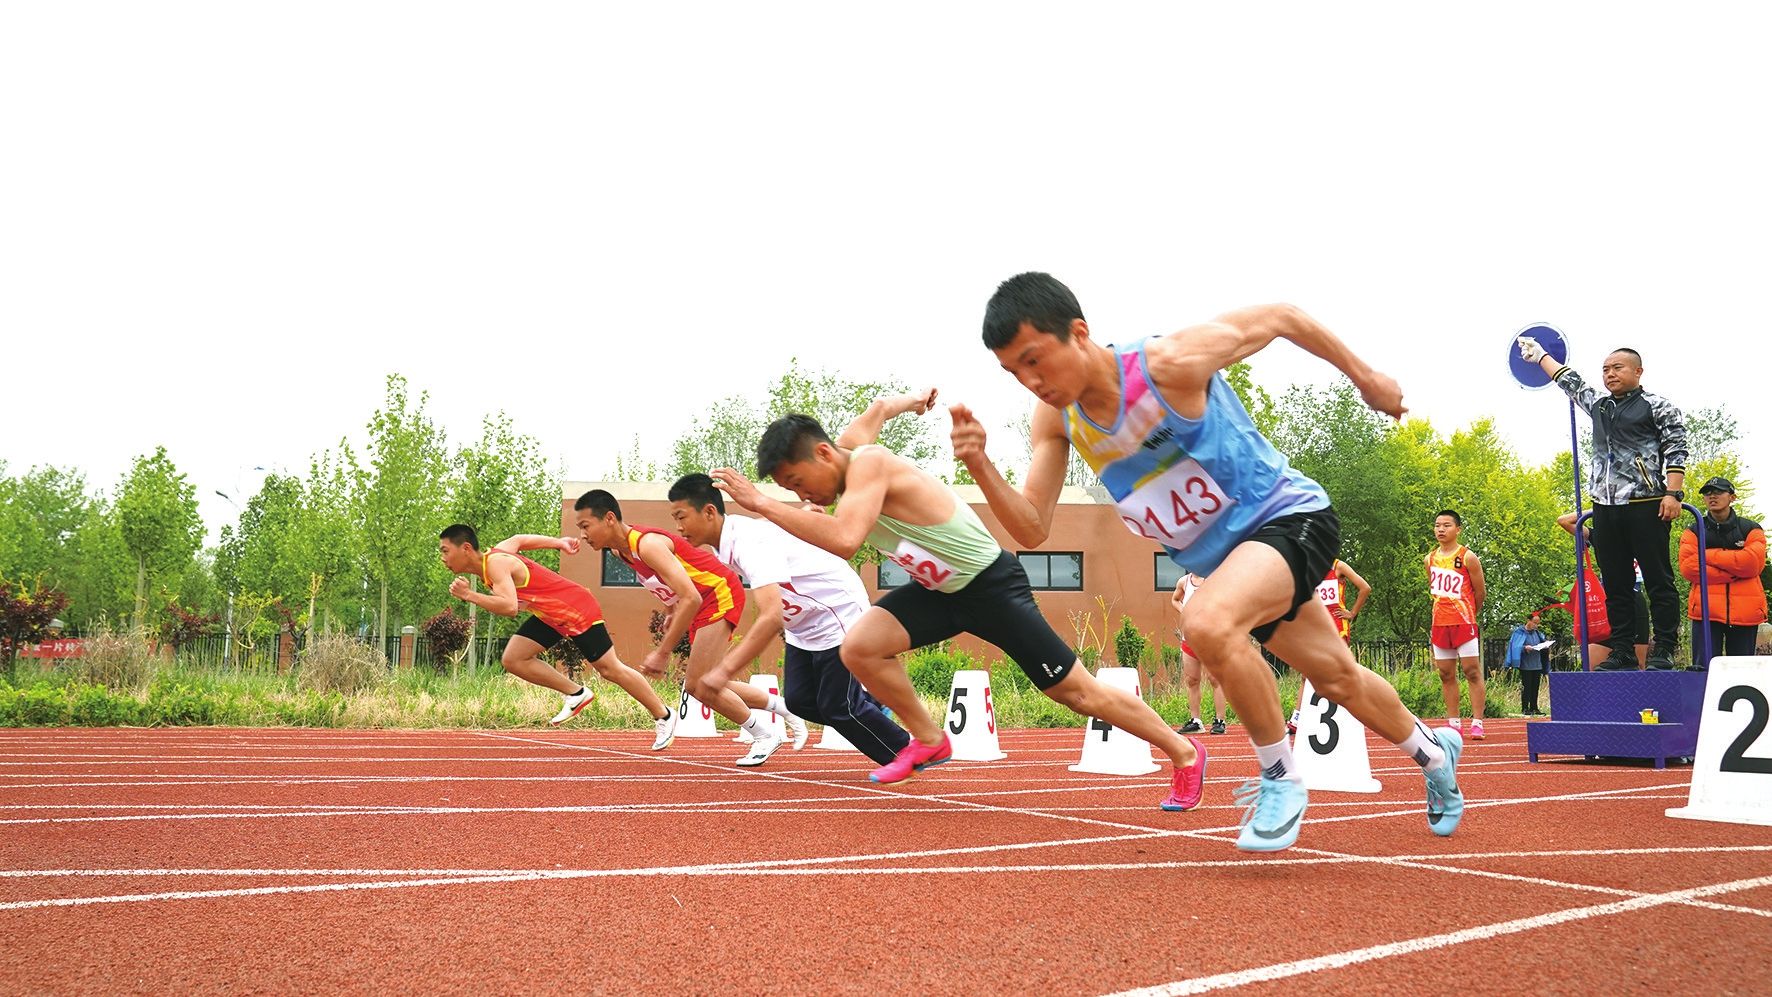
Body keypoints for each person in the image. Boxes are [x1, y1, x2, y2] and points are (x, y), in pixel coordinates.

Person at [953, 272, 1462, 852]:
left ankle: (1280, 777)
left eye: (1035, 360)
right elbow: (1032, 528)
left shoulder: (1167, 366)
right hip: (1230, 563)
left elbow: (1281, 316)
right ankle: (1433, 751)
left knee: (1208, 621)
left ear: (1079, 333)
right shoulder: (1056, 420)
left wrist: (1365, 378)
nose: (1031, 382)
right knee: (1336, 676)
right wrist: (981, 467)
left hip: (1288, 518)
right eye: (1014, 372)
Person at [711, 411, 1210, 810]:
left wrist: (762, 504)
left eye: (799, 482)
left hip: (990, 586)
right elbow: (876, 412)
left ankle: (1185, 751)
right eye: (791, 490)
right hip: (938, 590)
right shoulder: (845, 452)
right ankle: (929, 737)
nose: (802, 496)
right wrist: (911, 400)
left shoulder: (869, 464)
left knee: (1078, 693)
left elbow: (844, 540)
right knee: (860, 646)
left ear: (823, 453)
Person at [666, 471, 913, 767]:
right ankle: (874, 706)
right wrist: (803, 515)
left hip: (836, 610)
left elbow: (771, 617)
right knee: (800, 702)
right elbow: (770, 529)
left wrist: (724, 670)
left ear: (708, 512)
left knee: (838, 708)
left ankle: (905, 753)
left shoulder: (747, 543)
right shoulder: (729, 540)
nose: (678, 527)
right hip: (804, 621)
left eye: (681, 517)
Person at [573, 490, 808, 767]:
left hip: (717, 593)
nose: (583, 536)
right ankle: (785, 709)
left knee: (698, 686)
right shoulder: (620, 551)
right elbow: (672, 580)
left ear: (609, 518)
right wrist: (671, 609)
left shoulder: (647, 544)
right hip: (701, 602)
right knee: (710, 681)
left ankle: (764, 735)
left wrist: (663, 652)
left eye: (586, 526)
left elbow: (692, 596)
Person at [1519, 339, 1688, 669]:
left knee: (1658, 579)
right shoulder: (1600, 404)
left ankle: (1664, 648)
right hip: (1605, 507)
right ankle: (1622, 649)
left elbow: (1677, 447)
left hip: (1646, 502)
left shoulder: (1658, 406)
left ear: (1638, 371)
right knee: (1616, 584)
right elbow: (1570, 382)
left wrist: (1673, 493)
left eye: (1618, 368)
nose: (1610, 374)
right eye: (1606, 369)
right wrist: (1540, 356)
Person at [437, 524, 678, 748]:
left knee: (610, 669)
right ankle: (576, 693)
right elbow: (520, 540)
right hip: (550, 615)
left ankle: (664, 715)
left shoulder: (495, 565)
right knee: (514, 659)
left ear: (466, 548)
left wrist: (469, 595)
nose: (443, 558)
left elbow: (509, 607)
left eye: (445, 551)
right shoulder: (497, 554)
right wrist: (559, 543)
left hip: (576, 608)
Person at [1678, 477, 1767, 669]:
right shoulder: (1693, 530)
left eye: (1718, 492)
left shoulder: (1751, 528)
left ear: (1732, 497)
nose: (1712, 496)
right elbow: (1689, 568)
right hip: (1706, 614)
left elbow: (1752, 564)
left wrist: (1707, 555)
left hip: (1745, 613)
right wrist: (1734, 571)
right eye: (1707, 493)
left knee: (1742, 673)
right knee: (1704, 671)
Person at [1288, 557, 1373, 732]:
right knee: (1306, 674)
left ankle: (1361, 713)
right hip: (1315, 627)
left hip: (1336, 626)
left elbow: (1365, 587)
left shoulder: (1338, 566)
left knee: (1342, 671)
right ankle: (1296, 720)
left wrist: (1352, 613)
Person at [1556, 511, 1649, 668]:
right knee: (1595, 670)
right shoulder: (1601, 534)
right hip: (1604, 605)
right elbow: (1564, 521)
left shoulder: (1640, 532)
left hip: (1633, 602)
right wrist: (1600, 508)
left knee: (1636, 667)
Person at [1427, 510, 1487, 739]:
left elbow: (1480, 592)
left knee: (1471, 670)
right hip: (1440, 623)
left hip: (1464, 622)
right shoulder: (1430, 559)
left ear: (1458, 529)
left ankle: (1478, 721)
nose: (1441, 529)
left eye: (1446, 525)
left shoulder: (1468, 557)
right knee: (1445, 673)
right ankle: (1453, 722)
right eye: (1437, 525)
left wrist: (1470, 613)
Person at [1173, 572, 1227, 736]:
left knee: (1215, 679)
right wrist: (1185, 611)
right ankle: (1196, 720)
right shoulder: (1184, 581)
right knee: (1192, 680)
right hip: (1189, 637)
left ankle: (1220, 721)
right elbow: (1175, 599)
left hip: (1210, 637)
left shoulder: (1215, 578)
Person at [1506, 612, 1555, 716]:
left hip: (1537, 664)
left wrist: (1545, 646)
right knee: (1526, 687)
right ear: (1528, 621)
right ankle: (1525, 708)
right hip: (1525, 665)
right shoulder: (1519, 632)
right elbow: (1515, 646)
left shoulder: (1537, 633)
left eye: (1538, 624)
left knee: (1535, 687)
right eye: (1534, 623)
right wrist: (1524, 648)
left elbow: (1542, 643)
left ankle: (1534, 707)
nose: (1536, 625)